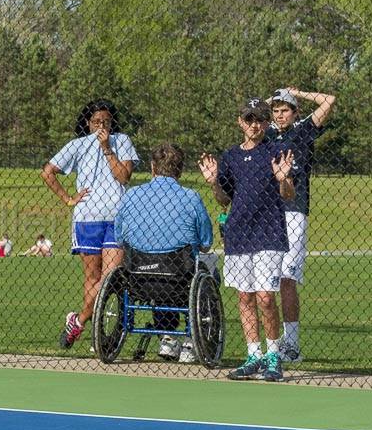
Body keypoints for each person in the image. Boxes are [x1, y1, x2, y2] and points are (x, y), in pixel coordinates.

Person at [198, 99, 295, 382]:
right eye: (249, 119)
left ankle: (273, 356)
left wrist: (282, 179)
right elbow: (223, 199)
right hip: (239, 235)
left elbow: (288, 195)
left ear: (267, 123)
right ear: (240, 122)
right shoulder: (229, 156)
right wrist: (214, 181)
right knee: (245, 296)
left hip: (269, 234)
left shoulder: (277, 151)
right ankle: (254, 355)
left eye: (260, 119)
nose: (255, 124)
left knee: (266, 297)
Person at [42, 98, 139, 348]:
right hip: (87, 219)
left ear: (112, 122)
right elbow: (47, 172)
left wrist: (107, 148)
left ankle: (79, 320)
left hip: (117, 218)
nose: (100, 126)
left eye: (105, 121)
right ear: (87, 123)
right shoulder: (77, 145)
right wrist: (67, 199)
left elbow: (124, 176)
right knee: (92, 277)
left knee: (110, 276)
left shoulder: (122, 141)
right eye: (96, 122)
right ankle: (97, 333)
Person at [114, 143, 214, 362]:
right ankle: (191, 336)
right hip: (180, 275)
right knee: (205, 268)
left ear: (152, 167)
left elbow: (119, 238)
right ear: (179, 170)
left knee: (160, 273)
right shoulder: (191, 197)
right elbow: (206, 242)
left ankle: (167, 337)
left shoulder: (131, 196)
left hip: (139, 276)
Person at [265, 87, 336, 364]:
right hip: (269, 212)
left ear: (295, 113)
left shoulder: (304, 129)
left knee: (287, 280)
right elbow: (252, 113)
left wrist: (296, 92)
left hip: (294, 212)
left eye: (286, 110)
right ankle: (271, 346)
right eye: (277, 110)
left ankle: (291, 344)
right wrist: (274, 97)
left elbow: (328, 101)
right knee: (265, 283)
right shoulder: (267, 132)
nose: (280, 115)